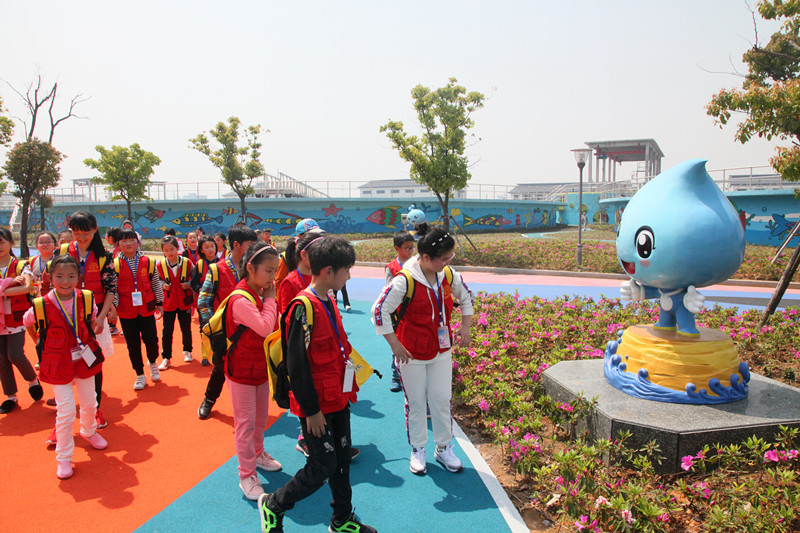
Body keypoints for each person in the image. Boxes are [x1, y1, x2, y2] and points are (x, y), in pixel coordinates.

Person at [258, 236, 376, 533]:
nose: (350, 276)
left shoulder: (329, 300)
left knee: (342, 460)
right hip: (317, 405)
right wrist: (311, 411)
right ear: (327, 271)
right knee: (322, 465)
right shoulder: (303, 308)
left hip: (338, 397)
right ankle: (274, 504)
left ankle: (342, 519)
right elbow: (297, 365)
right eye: (347, 270)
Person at [372, 223, 474, 476]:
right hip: (411, 353)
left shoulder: (447, 274)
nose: (449, 262)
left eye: (450, 257)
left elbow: (466, 297)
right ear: (426, 257)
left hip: (442, 349)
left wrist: (465, 326)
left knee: (441, 399)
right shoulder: (404, 280)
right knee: (416, 402)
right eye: (444, 258)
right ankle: (418, 449)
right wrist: (395, 345)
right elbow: (379, 310)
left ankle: (444, 448)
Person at [24, 255, 108, 479]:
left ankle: (88, 431)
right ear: (50, 277)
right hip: (57, 361)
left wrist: (94, 329)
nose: (65, 281)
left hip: (84, 358)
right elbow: (28, 322)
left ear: (78, 277)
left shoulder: (86, 298)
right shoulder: (41, 305)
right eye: (59, 276)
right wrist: (39, 343)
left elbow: (92, 321)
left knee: (90, 402)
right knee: (67, 410)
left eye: (71, 276)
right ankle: (63, 456)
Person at [225, 242, 283, 500]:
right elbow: (265, 328)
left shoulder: (259, 292)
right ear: (250, 268)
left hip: (259, 368)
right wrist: (271, 300)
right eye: (268, 271)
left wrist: (268, 299)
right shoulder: (240, 299)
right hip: (241, 371)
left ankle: (258, 454)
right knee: (246, 423)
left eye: (275, 271)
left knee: (260, 419)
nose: (272, 277)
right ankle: (246, 474)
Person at [56, 211, 117, 428]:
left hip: (93, 319)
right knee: (64, 360)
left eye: (86, 233)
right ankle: (63, 412)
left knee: (92, 361)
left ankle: (95, 407)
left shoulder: (104, 256)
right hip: (66, 316)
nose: (81, 238)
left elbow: (110, 289)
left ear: (95, 230)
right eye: (76, 233)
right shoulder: (62, 252)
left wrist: (101, 317)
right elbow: (52, 281)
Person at [197, 225, 257, 419]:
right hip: (227, 335)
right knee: (221, 369)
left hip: (251, 333)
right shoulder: (217, 270)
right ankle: (208, 400)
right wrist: (214, 329)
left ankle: (248, 408)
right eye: (250, 245)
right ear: (236, 245)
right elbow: (203, 302)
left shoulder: (254, 269)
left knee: (251, 369)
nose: (254, 250)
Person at [114, 228, 164, 390]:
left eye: (131, 240)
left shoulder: (148, 261)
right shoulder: (115, 264)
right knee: (133, 344)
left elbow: (155, 283)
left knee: (152, 340)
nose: (128, 243)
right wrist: (113, 308)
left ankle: (153, 362)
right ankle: (140, 374)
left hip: (146, 308)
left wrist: (160, 303)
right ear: (118, 244)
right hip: (126, 310)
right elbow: (113, 289)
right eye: (124, 241)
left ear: (138, 242)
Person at [0, 227, 41, 414]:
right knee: (1, 359)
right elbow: (18, 287)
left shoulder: (20, 265)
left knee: (15, 354)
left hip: (15, 318)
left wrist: (1, 290)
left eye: (2, 242)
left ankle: (33, 380)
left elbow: (26, 288)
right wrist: (10, 285)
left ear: (10, 243)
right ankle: (11, 396)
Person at [384, 231, 416, 393]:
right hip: (398, 314)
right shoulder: (391, 267)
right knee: (398, 344)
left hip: (415, 312)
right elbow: (391, 290)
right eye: (407, 248)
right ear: (397, 248)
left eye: (412, 247)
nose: (411, 250)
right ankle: (396, 377)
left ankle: (413, 375)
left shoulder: (418, 264)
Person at [157, 236, 194, 370]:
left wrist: (188, 284)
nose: (169, 252)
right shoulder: (160, 265)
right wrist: (163, 285)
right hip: (169, 303)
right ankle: (166, 357)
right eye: (166, 250)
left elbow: (195, 278)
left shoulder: (187, 263)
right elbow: (156, 280)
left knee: (186, 328)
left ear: (177, 248)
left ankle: (187, 350)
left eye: (172, 249)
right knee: (167, 330)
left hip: (184, 301)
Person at [275, 218, 323, 301]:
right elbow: (279, 282)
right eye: (312, 236)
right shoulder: (286, 257)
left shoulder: (318, 257)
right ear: (300, 237)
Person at [190, 235, 218, 366]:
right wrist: (200, 288)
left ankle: (219, 352)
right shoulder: (200, 265)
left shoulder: (221, 262)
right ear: (201, 250)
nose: (211, 249)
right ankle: (206, 354)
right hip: (204, 304)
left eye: (212, 246)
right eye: (207, 247)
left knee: (219, 327)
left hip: (218, 302)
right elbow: (193, 282)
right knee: (205, 327)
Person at [31, 231, 58, 298]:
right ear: (37, 246)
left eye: (48, 242)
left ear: (55, 245)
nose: (45, 245)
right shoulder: (32, 261)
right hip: (36, 297)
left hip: (54, 296)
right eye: (41, 242)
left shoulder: (59, 261)